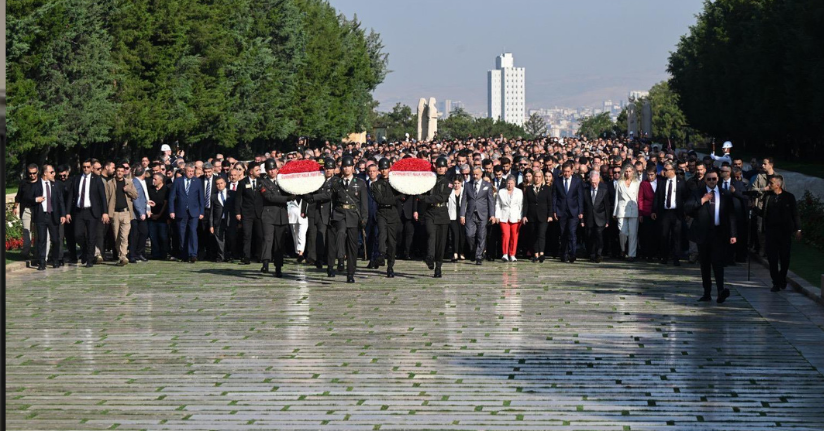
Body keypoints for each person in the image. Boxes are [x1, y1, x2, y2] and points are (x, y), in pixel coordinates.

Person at [685, 169, 737, 303]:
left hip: (719, 233)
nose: (712, 181)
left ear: (718, 179)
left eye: (714, 179)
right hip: (703, 233)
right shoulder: (698, 193)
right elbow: (688, 208)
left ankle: (721, 291)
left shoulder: (725, 193)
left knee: (718, 263)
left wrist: (733, 234)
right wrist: (702, 200)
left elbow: (731, 215)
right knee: (705, 265)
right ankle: (707, 293)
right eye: (709, 179)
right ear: (705, 180)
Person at [326, 156, 368, 282]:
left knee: (352, 245)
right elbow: (332, 200)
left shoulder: (359, 183)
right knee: (340, 233)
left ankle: (350, 273)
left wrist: (364, 218)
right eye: (344, 166)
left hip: (353, 215)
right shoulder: (336, 183)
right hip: (339, 213)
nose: (346, 168)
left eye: (349, 166)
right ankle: (340, 258)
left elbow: (363, 203)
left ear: (353, 167)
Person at [757, 175, 801, 292]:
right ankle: (775, 282)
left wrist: (798, 229)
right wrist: (754, 208)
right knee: (772, 258)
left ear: (778, 184)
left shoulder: (789, 197)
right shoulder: (768, 197)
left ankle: (782, 277)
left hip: (785, 233)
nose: (769, 185)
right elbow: (763, 213)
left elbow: (795, 213)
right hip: (771, 232)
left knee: (785, 258)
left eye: (771, 183)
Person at [25, 165, 66, 270]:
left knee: (55, 239)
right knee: (42, 240)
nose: (53, 174)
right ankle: (42, 262)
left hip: (53, 215)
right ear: (45, 173)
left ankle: (55, 260)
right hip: (41, 215)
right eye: (51, 172)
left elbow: (61, 201)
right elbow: (27, 198)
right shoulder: (36, 185)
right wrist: (36, 199)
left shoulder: (55, 185)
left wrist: (63, 214)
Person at [419, 156, 452, 277]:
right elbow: (422, 192)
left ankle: (438, 266)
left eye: (443, 167)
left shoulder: (448, 183)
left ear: (446, 168)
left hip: (442, 212)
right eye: (439, 166)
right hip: (430, 212)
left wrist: (426, 199)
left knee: (441, 242)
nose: (440, 169)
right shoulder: (429, 180)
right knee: (431, 234)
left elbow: (442, 197)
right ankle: (430, 257)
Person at [371, 158, 404, 277]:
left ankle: (390, 266)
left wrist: (397, 198)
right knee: (381, 235)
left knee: (392, 241)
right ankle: (381, 254)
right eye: (382, 169)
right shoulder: (375, 185)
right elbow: (380, 200)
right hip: (381, 212)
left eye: (386, 168)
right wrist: (396, 199)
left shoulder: (394, 183)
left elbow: (403, 194)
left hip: (393, 213)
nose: (384, 171)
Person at [258, 159, 291, 277]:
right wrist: (287, 199)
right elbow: (269, 197)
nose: (272, 172)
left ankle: (278, 267)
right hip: (269, 214)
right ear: (266, 171)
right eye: (270, 170)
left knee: (279, 242)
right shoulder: (263, 182)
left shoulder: (283, 181)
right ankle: (265, 262)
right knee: (268, 239)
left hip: (281, 215)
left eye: (274, 169)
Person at [168, 163, 205, 263]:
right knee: (182, 233)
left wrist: (201, 211)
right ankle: (184, 254)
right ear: (185, 171)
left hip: (194, 211)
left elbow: (201, 197)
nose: (191, 173)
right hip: (181, 211)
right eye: (189, 171)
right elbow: (171, 197)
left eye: (192, 171)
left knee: (193, 231)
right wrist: (171, 211)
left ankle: (193, 254)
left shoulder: (197, 181)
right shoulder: (178, 181)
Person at [460, 166, 495, 266]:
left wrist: (492, 214)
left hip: (482, 214)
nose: (475, 176)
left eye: (477, 174)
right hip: (470, 214)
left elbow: (490, 201)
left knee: (481, 235)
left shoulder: (487, 185)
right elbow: (464, 200)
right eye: (473, 174)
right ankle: (473, 250)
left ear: (481, 174)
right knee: (469, 234)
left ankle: (479, 256)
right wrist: (462, 214)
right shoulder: (467, 185)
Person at [105, 165, 138, 266]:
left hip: (126, 212)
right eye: (118, 171)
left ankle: (123, 256)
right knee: (117, 236)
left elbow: (135, 195)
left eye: (121, 171)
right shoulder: (109, 183)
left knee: (124, 235)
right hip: (114, 212)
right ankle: (120, 255)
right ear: (116, 172)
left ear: (124, 172)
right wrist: (106, 213)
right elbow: (106, 198)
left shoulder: (129, 182)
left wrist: (128, 189)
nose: (119, 173)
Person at [653, 161, 686, 266]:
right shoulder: (662, 182)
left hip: (677, 213)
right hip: (665, 212)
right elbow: (657, 197)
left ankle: (676, 258)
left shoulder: (681, 182)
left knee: (676, 236)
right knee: (664, 235)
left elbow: (685, 198)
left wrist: (686, 212)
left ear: (673, 171)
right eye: (664, 169)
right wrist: (654, 210)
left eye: (666, 170)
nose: (664, 172)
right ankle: (664, 257)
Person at [306, 158, 335, 268]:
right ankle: (316, 257)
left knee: (324, 236)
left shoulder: (335, 181)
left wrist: (313, 197)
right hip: (317, 211)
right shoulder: (319, 179)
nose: (328, 171)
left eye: (330, 168)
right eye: (327, 168)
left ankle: (324, 257)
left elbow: (328, 195)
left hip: (328, 211)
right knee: (315, 235)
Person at [554, 161, 584, 263]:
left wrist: (580, 211)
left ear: (572, 171)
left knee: (572, 232)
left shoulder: (577, 181)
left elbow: (580, 196)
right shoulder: (557, 181)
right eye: (564, 171)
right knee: (563, 234)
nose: (566, 173)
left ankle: (573, 254)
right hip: (561, 210)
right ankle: (564, 254)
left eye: (568, 171)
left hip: (573, 211)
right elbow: (555, 196)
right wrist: (555, 210)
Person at [235, 162, 264, 264]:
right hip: (247, 213)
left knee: (260, 235)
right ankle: (246, 257)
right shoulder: (242, 182)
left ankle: (260, 256)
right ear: (251, 171)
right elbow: (238, 198)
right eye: (257, 170)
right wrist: (238, 212)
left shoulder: (261, 182)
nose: (259, 172)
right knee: (247, 235)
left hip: (259, 213)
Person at [522, 168, 553, 263]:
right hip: (531, 215)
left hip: (543, 215)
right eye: (536, 176)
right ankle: (535, 254)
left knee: (541, 234)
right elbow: (526, 203)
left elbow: (550, 203)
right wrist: (524, 215)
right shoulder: (529, 189)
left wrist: (550, 215)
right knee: (533, 235)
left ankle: (542, 253)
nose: (537, 179)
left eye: (539, 177)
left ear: (542, 178)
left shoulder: (547, 189)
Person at [13, 164, 40, 261]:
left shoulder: (40, 182)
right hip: (26, 209)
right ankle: (26, 251)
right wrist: (15, 207)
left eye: (34, 173)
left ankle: (37, 252)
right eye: (30, 173)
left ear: (37, 172)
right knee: (26, 230)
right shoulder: (24, 182)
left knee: (38, 231)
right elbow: (18, 195)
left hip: (37, 209)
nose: (32, 175)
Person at [583, 170, 611, 263]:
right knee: (590, 236)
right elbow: (583, 205)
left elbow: (606, 205)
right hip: (589, 217)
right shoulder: (586, 190)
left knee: (599, 236)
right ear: (590, 180)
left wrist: (607, 220)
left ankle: (599, 254)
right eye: (592, 182)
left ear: (599, 180)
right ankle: (591, 254)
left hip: (600, 217)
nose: (594, 184)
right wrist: (582, 219)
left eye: (595, 182)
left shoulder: (604, 189)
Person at [495, 175, 524, 262]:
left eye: (511, 183)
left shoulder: (519, 192)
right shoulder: (501, 191)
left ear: (514, 183)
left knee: (514, 236)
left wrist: (520, 216)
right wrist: (497, 216)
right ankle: (505, 254)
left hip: (515, 216)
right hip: (504, 216)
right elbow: (498, 205)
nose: (510, 185)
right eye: (508, 183)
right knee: (505, 235)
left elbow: (521, 205)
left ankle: (512, 254)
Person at [128, 166, 150, 263]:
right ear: (143, 173)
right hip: (137, 214)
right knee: (135, 234)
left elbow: (141, 198)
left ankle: (138, 252)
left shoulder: (138, 182)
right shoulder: (136, 183)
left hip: (141, 212)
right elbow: (136, 199)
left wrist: (147, 203)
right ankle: (134, 254)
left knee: (143, 233)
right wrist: (141, 212)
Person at [209, 176, 233, 262]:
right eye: (217, 184)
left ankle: (229, 255)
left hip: (230, 220)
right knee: (219, 240)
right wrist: (211, 225)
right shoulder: (214, 196)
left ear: (225, 183)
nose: (219, 185)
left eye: (221, 183)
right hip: (218, 221)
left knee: (230, 239)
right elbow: (211, 211)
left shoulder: (231, 193)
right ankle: (221, 256)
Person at [147, 173, 170, 260]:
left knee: (163, 236)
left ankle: (163, 253)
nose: (153, 181)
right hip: (152, 216)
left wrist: (159, 215)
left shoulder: (166, 189)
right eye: (153, 179)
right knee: (153, 236)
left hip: (162, 217)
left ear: (161, 180)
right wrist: (151, 213)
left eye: (155, 179)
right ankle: (155, 253)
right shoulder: (151, 189)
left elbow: (165, 203)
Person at [637, 167, 658, 261]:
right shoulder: (644, 184)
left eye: (652, 175)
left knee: (656, 234)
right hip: (646, 211)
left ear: (656, 174)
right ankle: (647, 254)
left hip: (658, 211)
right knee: (647, 235)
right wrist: (640, 213)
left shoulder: (660, 182)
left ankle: (656, 253)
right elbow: (640, 199)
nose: (650, 177)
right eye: (648, 175)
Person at [363, 163, 380, 268]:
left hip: (379, 214)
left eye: (374, 171)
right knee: (369, 237)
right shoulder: (364, 184)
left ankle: (375, 259)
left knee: (377, 237)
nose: (372, 173)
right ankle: (371, 257)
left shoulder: (381, 184)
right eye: (370, 171)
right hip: (367, 215)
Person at [447, 176, 466, 262]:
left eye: (458, 183)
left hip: (462, 215)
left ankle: (461, 252)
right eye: (455, 183)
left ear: (461, 183)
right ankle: (455, 253)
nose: (457, 185)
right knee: (455, 234)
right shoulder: (450, 192)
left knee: (462, 234)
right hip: (452, 216)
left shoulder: (464, 191)